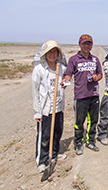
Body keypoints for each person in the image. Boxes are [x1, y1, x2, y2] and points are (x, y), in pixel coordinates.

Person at [61, 34, 103, 154]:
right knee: (79, 121)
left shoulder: (95, 59)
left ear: (91, 45)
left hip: (94, 95)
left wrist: (96, 78)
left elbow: (100, 74)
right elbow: (68, 74)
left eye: (89, 43)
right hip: (80, 96)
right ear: (80, 44)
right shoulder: (74, 59)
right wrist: (66, 80)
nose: (86, 46)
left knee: (93, 121)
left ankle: (90, 141)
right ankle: (78, 142)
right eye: (84, 43)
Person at [32, 40, 67, 173]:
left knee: (57, 132)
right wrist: (37, 111)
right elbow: (35, 91)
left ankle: (54, 153)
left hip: (58, 107)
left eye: (55, 52)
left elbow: (67, 79)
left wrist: (65, 82)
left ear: (58, 54)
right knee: (44, 136)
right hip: (45, 109)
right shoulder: (39, 69)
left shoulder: (61, 68)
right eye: (49, 52)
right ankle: (42, 160)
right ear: (45, 54)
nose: (52, 55)